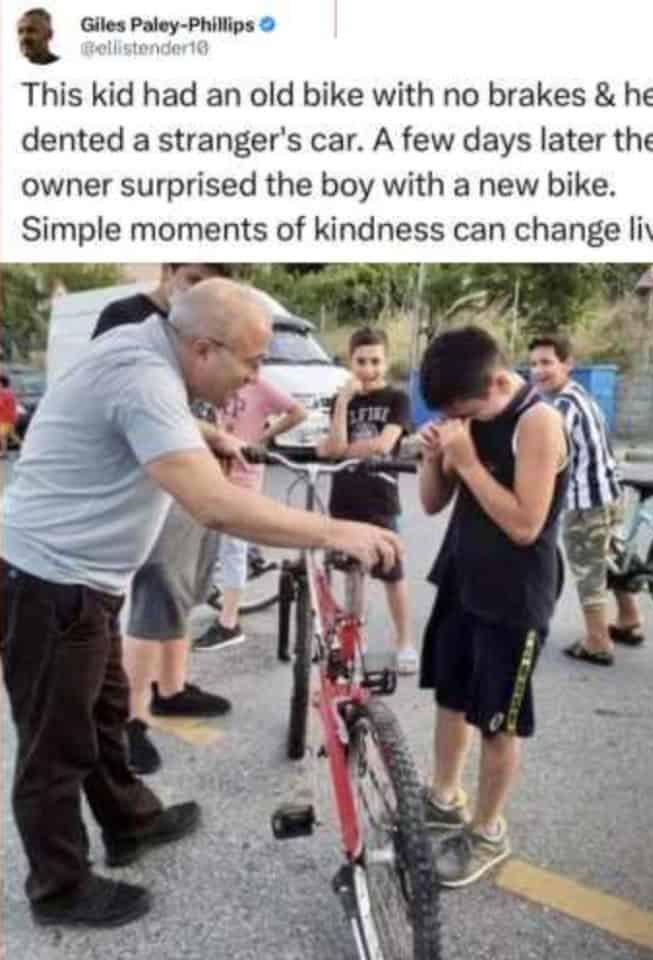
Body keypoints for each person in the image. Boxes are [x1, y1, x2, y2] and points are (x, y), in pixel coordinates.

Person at [1, 279, 401, 929]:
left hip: (85, 585)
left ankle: (131, 822)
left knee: (103, 716)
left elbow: (147, 414)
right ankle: (59, 887)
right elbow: (215, 504)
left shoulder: (146, 346)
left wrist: (207, 437)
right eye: (250, 361)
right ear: (204, 348)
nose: (254, 377)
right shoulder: (145, 377)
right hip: (50, 583)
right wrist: (335, 531)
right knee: (55, 744)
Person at [417, 326, 568, 888]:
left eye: (465, 410)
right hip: (461, 579)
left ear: (500, 380)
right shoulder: (469, 419)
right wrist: (436, 458)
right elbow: (432, 505)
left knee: (497, 722)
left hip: (513, 597)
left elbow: (527, 525)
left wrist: (471, 463)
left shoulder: (538, 422)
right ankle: (444, 795)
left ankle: (487, 831)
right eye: (453, 415)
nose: (462, 420)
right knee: (451, 698)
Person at [91, 264, 238, 776]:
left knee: (184, 588)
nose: (199, 291)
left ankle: (172, 688)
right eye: (194, 277)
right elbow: (139, 395)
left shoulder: (205, 325)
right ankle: (132, 715)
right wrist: (212, 434)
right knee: (155, 590)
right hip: (163, 474)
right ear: (170, 270)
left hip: (199, 469)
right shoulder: (128, 319)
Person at [529, 334, 644, 665]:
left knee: (588, 569)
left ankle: (597, 641)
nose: (538, 370)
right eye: (534, 364)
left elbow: (549, 454)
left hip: (585, 501)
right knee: (612, 557)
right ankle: (629, 620)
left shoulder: (561, 406)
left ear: (567, 364)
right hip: (609, 494)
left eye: (547, 362)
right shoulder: (579, 396)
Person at [317, 326, 417, 673]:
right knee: (352, 573)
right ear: (350, 362)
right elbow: (333, 446)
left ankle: (405, 642)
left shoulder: (397, 400)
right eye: (361, 361)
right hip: (344, 497)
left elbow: (381, 445)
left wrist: (341, 449)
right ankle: (352, 638)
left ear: (386, 362)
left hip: (380, 498)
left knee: (392, 574)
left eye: (375, 361)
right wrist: (343, 403)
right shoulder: (341, 400)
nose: (368, 368)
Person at [194, 378, 307, 651]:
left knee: (232, 547)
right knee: (206, 535)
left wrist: (264, 439)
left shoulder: (259, 385)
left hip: (244, 472)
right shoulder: (217, 377)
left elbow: (298, 412)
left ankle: (229, 624)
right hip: (215, 469)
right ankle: (230, 577)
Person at [0, 373, 20, 457]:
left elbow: (1, 405)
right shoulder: (10, 393)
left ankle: (4, 453)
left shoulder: (3, 393)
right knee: (12, 435)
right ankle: (24, 448)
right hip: (10, 417)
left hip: (5, 418)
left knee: (2, 435)